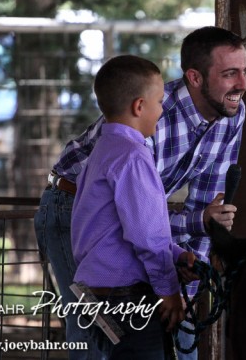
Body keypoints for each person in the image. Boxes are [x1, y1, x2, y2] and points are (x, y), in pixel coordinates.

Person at [34, 26, 246, 359]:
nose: (243, 84)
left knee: (135, 332)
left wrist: (185, 284)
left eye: (245, 71)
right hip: (73, 204)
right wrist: (170, 289)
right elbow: (144, 226)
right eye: (230, 73)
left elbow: (193, 208)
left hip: (124, 236)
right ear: (195, 77)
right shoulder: (147, 124)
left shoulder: (230, 114)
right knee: (96, 340)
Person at [71, 55, 196, 358]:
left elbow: (116, 228)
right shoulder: (132, 156)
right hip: (125, 298)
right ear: (139, 106)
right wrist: (168, 290)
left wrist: (177, 255)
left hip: (94, 292)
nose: (162, 109)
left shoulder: (103, 150)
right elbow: (147, 235)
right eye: (159, 102)